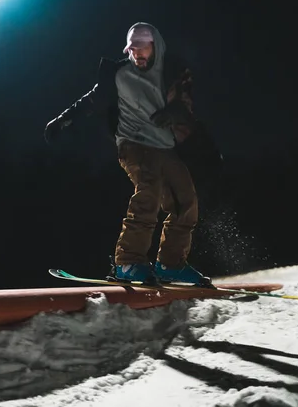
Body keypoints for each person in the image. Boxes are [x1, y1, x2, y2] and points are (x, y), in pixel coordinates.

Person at [44, 22, 209, 286]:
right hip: (132, 144)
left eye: (142, 50)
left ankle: (171, 264)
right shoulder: (118, 73)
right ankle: (128, 262)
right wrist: (64, 119)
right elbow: (92, 99)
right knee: (149, 191)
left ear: (155, 46)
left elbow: (186, 104)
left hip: (164, 146)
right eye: (132, 50)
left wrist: (175, 111)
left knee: (185, 200)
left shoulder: (171, 71)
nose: (137, 55)